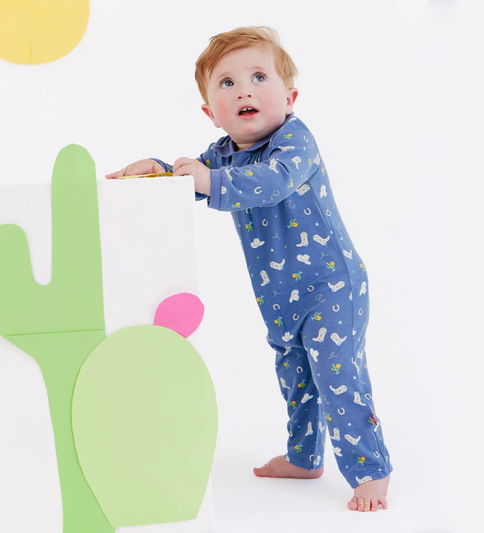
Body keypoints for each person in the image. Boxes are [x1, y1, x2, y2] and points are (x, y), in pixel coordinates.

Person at [106, 26, 392, 512]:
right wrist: (155, 170)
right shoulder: (222, 155)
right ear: (210, 113)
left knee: (337, 376)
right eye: (227, 83)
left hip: (331, 286)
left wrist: (208, 179)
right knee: (295, 375)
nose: (244, 90)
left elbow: (271, 182)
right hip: (279, 296)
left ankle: (371, 470)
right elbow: (192, 180)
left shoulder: (294, 141)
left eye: (259, 77)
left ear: (290, 97)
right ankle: (304, 458)